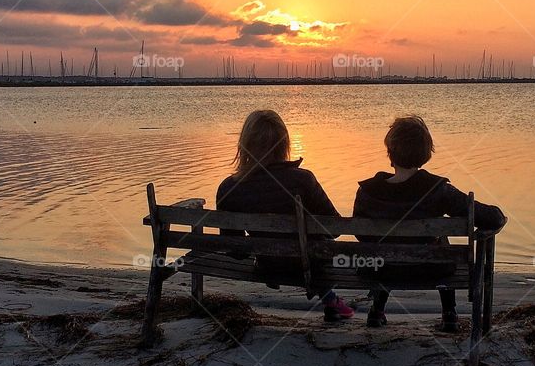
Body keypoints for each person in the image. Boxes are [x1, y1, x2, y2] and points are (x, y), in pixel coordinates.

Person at [353, 115, 507, 331]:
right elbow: (492, 217)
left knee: (386, 246)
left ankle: (377, 311)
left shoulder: (366, 191)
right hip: (427, 268)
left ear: (390, 153)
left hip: (378, 269)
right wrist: (499, 215)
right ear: (425, 154)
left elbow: (362, 235)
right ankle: (449, 313)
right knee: (440, 240)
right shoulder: (437, 190)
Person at [216, 109, 355, 321]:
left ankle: (330, 299)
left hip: (267, 264)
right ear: (284, 143)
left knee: (304, 247)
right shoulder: (303, 180)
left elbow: (235, 250)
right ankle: (330, 299)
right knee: (314, 246)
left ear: (245, 145)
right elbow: (334, 229)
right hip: (308, 264)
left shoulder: (228, 188)